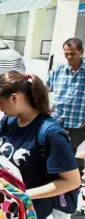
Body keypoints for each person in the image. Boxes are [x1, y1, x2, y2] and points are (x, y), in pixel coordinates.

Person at [0, 71, 81, 219]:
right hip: (3, 205)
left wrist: (24, 196)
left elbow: (72, 181)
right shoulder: (9, 120)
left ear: (14, 98)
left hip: (28, 214)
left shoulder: (50, 133)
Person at [47, 37, 85, 174]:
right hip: (57, 119)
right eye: (66, 54)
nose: (69, 57)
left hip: (78, 123)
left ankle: (72, 179)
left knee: (69, 151)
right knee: (54, 149)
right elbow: (45, 89)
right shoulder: (58, 70)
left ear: (81, 51)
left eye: (73, 53)